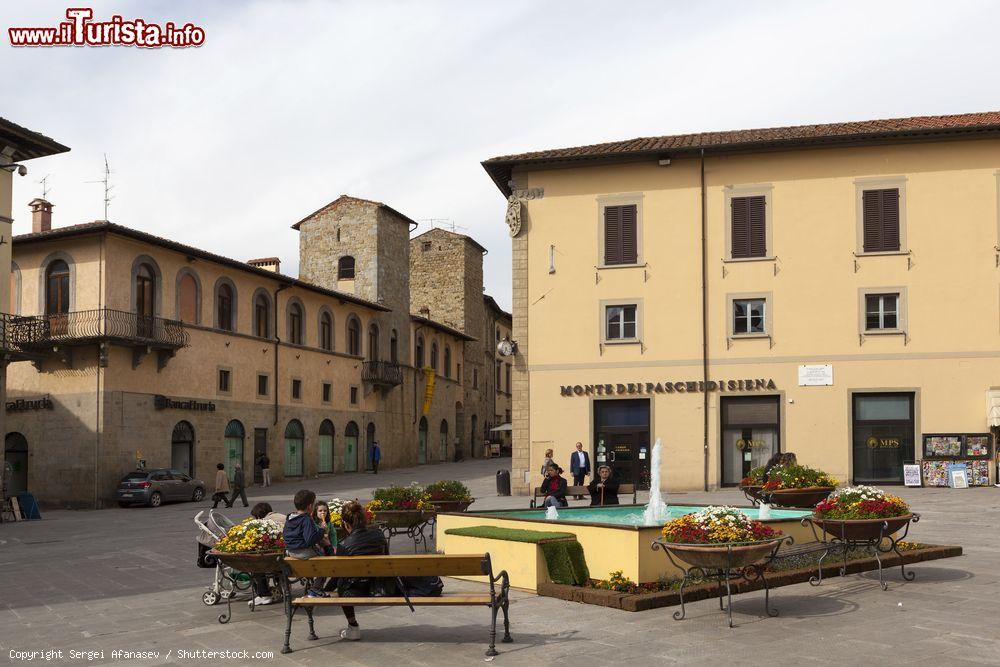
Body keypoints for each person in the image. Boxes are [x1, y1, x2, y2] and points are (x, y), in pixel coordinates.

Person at [333, 500, 389, 641]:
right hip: (380, 586)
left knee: (341, 583)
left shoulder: (344, 545)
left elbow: (339, 573)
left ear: (346, 524)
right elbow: (387, 560)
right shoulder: (379, 535)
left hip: (355, 590)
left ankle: (353, 626)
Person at [283, 489, 332, 597]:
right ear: (310, 506)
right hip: (304, 553)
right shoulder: (306, 520)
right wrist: (322, 530)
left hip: (291, 552)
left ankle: (314, 587)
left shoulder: (290, 518)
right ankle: (315, 589)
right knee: (326, 562)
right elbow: (310, 539)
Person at [249, 503, 278, 606]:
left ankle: (264, 594)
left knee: (255, 565)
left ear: (258, 516)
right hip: (286, 555)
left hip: (274, 558)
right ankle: (279, 589)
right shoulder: (280, 516)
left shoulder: (265, 523)